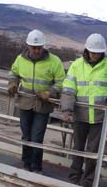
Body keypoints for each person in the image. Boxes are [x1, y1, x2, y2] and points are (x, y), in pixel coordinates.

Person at [61, 33, 107, 187]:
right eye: (92, 52)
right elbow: (69, 90)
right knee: (78, 149)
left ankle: (88, 182)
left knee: (93, 152)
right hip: (80, 115)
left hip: (99, 117)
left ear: (102, 52)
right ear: (87, 50)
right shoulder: (76, 65)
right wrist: (67, 111)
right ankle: (74, 178)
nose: (95, 55)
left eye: (98, 53)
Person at [7, 29, 65, 172]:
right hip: (25, 102)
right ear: (28, 46)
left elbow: (61, 82)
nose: (37, 51)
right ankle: (26, 163)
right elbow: (13, 73)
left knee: (37, 137)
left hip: (43, 105)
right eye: (34, 48)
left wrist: (49, 92)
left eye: (39, 48)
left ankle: (36, 166)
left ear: (43, 46)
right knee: (26, 135)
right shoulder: (20, 59)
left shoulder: (54, 61)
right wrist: (12, 83)